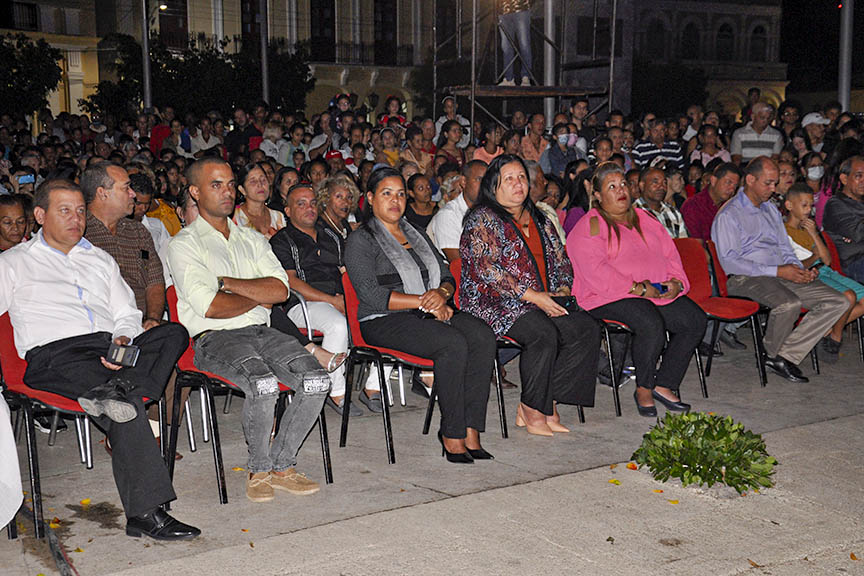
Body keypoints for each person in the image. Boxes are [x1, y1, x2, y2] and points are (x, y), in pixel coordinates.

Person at [0, 178, 198, 540]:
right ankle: (146, 514)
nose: (76, 219)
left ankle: (119, 388)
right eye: (65, 211)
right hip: (55, 355)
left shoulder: (98, 258)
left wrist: (123, 335)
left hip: (108, 350)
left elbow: (126, 311)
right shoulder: (13, 263)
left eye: (79, 211)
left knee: (174, 333)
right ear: (40, 215)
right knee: (123, 405)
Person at [167, 157, 329, 502]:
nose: (226, 191)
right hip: (213, 338)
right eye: (216, 185)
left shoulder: (250, 239)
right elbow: (210, 306)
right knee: (263, 384)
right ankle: (259, 469)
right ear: (195, 192)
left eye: (229, 184)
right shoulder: (184, 244)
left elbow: (281, 290)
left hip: (262, 332)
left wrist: (228, 284)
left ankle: (283, 464)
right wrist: (257, 295)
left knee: (317, 380)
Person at [345, 166, 496, 462]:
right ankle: (452, 433)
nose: (395, 200)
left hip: (426, 311)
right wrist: (425, 302)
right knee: (452, 342)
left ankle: (471, 428)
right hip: (381, 320)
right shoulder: (360, 240)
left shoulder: (415, 233)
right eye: (386, 193)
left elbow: (446, 275)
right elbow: (372, 297)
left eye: (400, 194)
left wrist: (440, 295)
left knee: (482, 335)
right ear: (370, 198)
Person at [460, 155, 600, 435]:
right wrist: (534, 297)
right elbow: (486, 268)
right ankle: (532, 407)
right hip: (494, 302)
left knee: (586, 328)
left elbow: (561, 259)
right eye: (509, 178)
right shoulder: (482, 218)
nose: (518, 184)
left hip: (543, 299)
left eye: (522, 177)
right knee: (543, 332)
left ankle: (547, 401)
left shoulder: (541, 217)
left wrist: (561, 289)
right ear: (494, 185)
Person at [568, 162, 707, 417]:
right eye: (611, 186)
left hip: (653, 291)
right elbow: (595, 270)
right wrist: (637, 288)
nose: (620, 190)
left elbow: (670, 255)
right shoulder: (591, 225)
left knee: (694, 319)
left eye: (623, 184)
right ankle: (644, 387)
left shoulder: (646, 218)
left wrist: (675, 282)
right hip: (606, 295)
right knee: (649, 321)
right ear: (597, 195)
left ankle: (664, 383)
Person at [712, 157, 848, 383]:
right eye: (768, 183)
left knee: (839, 301)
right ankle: (774, 354)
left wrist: (799, 268)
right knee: (789, 303)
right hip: (745, 277)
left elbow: (784, 248)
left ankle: (783, 355)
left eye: (775, 183)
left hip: (779, 272)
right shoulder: (730, 214)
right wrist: (778, 271)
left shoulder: (770, 210)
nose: (774, 189)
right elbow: (730, 262)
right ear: (750, 180)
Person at [269, 181, 379, 417]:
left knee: (385, 311)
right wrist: (333, 300)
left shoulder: (330, 236)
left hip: (338, 298)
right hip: (300, 304)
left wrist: (353, 296)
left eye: (312, 203)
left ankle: (374, 386)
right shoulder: (281, 240)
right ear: (287, 211)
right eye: (301, 204)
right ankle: (335, 391)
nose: (309, 208)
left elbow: (346, 271)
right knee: (338, 323)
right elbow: (290, 282)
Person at [784, 183, 863, 363]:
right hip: (811, 273)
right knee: (849, 297)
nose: (809, 210)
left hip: (825, 270)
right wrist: (815, 256)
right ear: (789, 206)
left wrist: (813, 233)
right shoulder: (783, 231)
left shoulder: (808, 229)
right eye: (803, 205)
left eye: (811, 206)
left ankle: (825, 331)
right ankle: (835, 339)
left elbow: (826, 260)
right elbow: (797, 264)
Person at [428, 160, 486, 262]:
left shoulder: (489, 211)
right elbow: (458, 264)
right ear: (463, 182)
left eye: (487, 180)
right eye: (479, 179)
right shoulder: (448, 215)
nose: (484, 185)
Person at [823, 156, 864, 282]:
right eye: (858, 176)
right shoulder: (835, 204)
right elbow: (858, 233)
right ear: (844, 179)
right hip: (854, 263)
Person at [681, 162, 741, 242]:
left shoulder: (732, 207)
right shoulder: (693, 205)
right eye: (728, 182)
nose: (732, 189)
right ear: (713, 180)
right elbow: (697, 247)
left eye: (735, 186)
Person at [233, 162, 286, 238]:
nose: (260, 184)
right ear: (242, 190)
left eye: (263, 180)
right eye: (253, 181)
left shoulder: (278, 216)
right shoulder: (233, 216)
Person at [634, 167, 688, 238]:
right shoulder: (633, 214)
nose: (661, 187)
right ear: (642, 185)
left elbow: (683, 242)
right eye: (655, 182)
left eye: (664, 183)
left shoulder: (673, 212)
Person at [498, 0, 532, 86]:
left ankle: (525, 77)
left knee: (524, 44)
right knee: (506, 46)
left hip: (521, 9)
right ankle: (509, 78)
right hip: (503, 11)